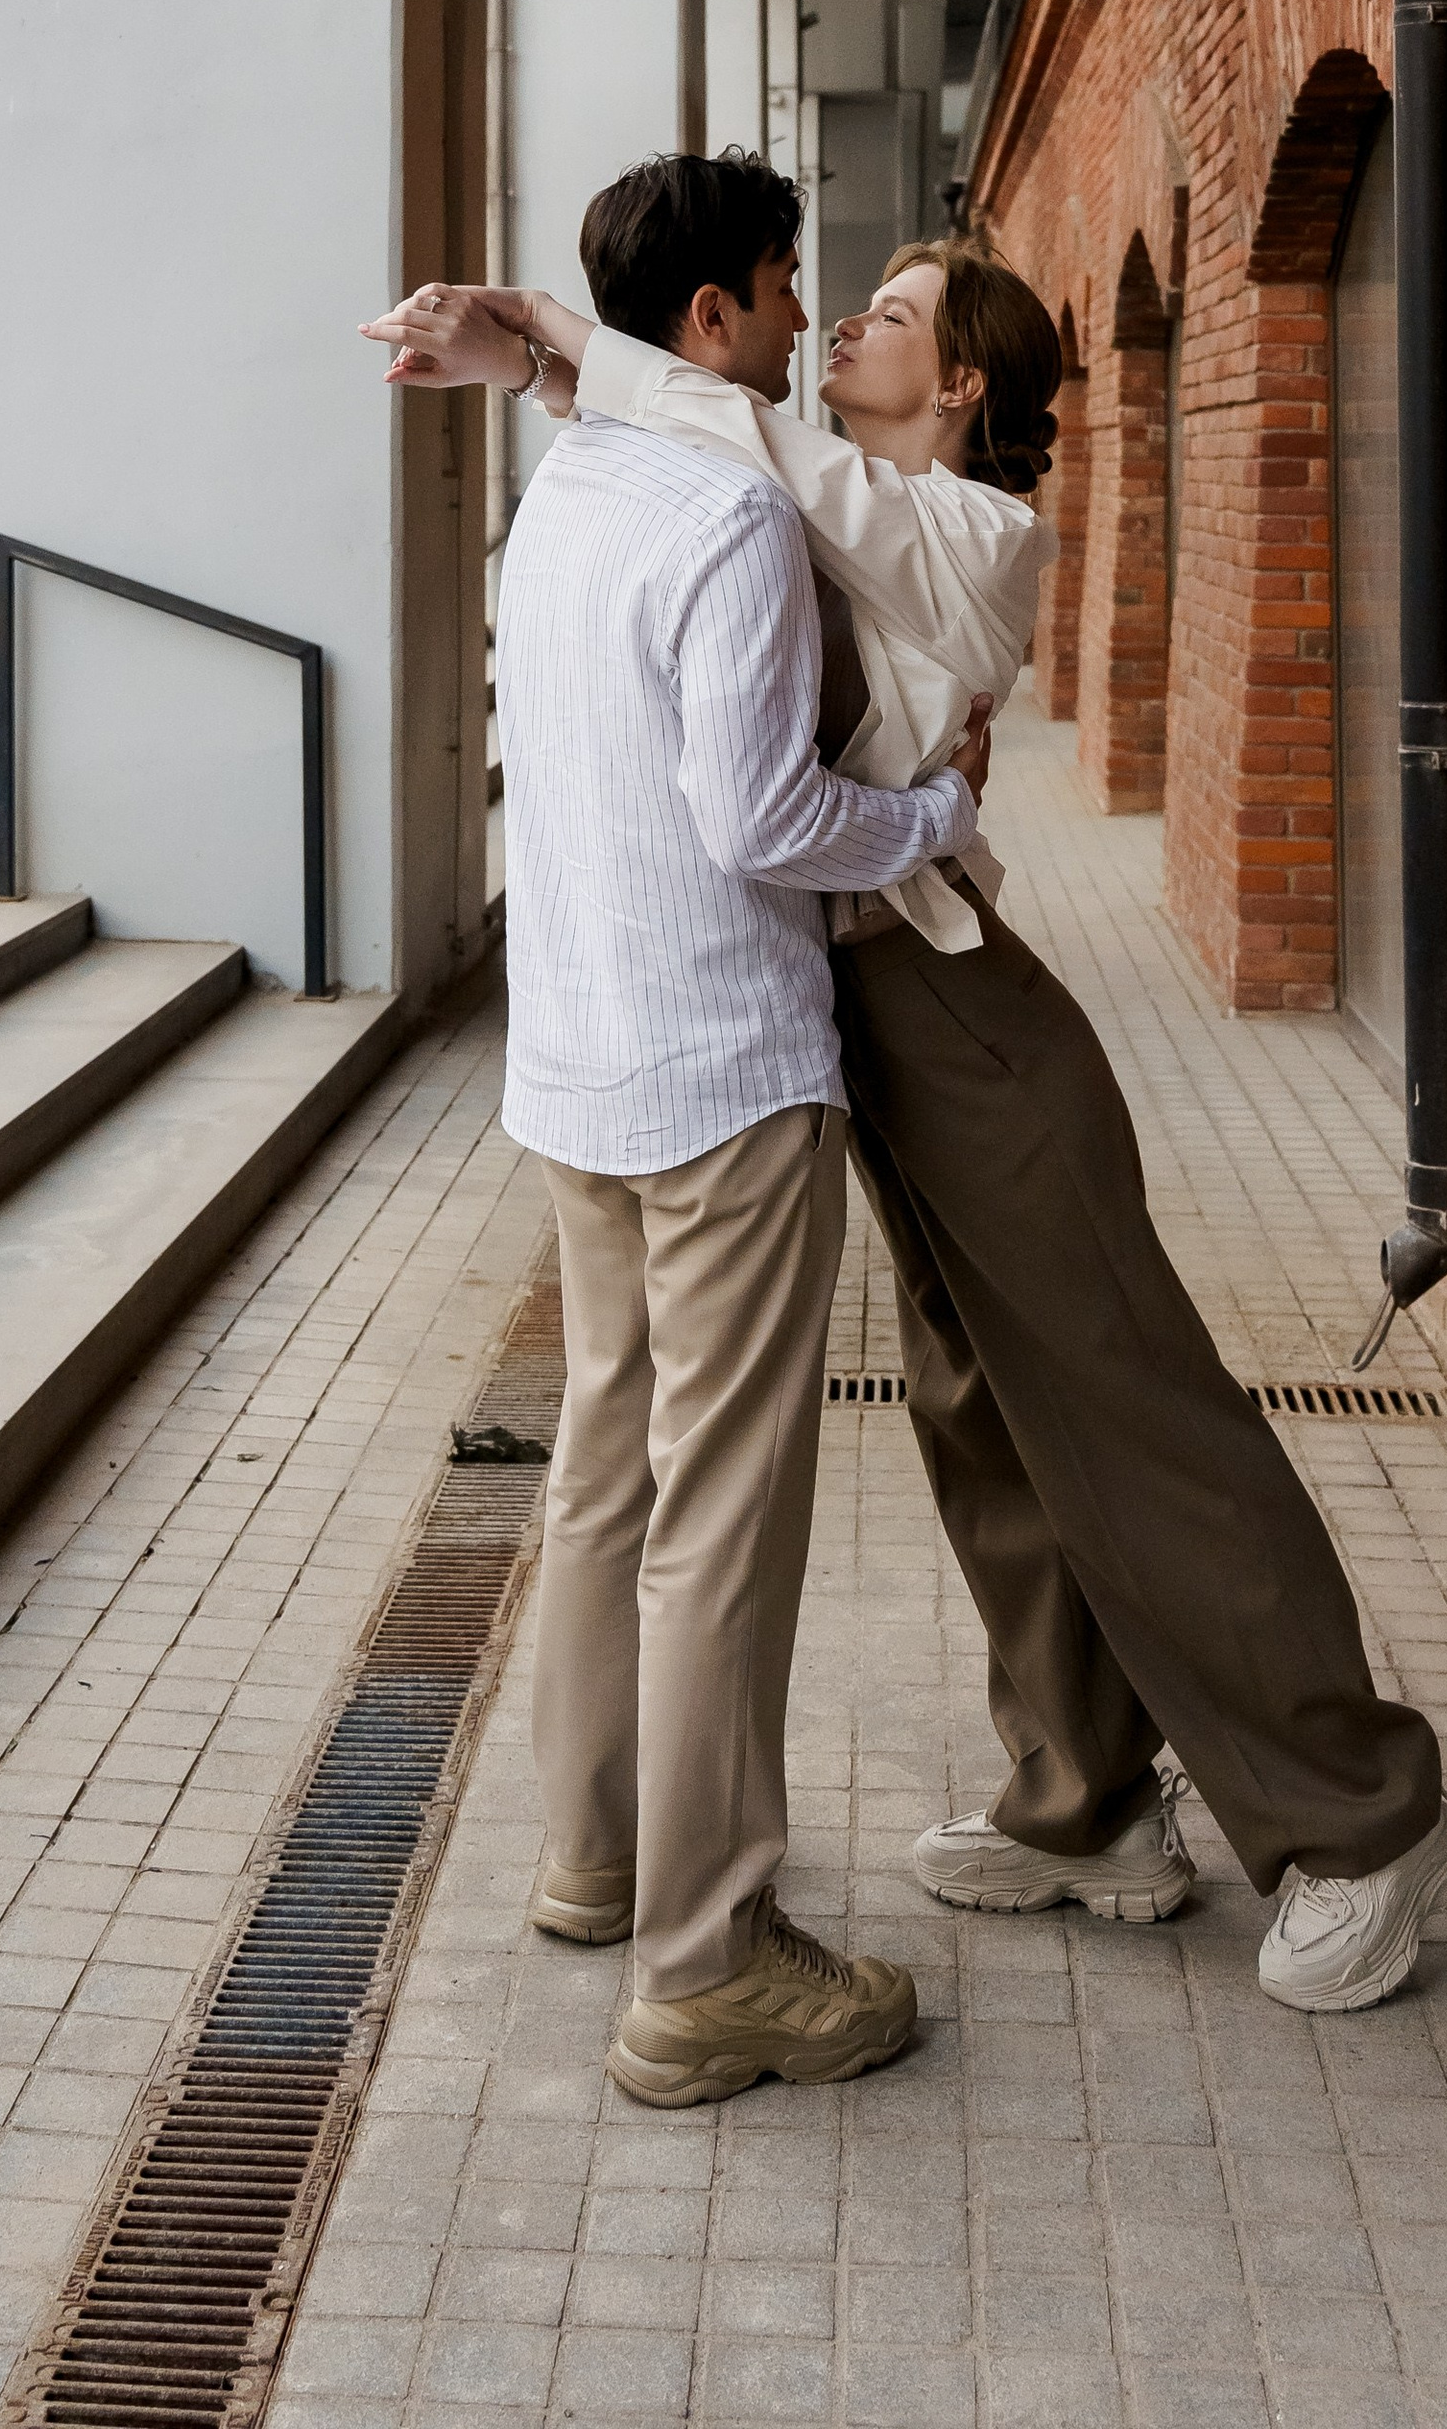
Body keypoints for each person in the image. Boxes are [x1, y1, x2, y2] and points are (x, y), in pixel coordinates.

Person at [369, 216, 1447, 2018]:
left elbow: (767, 460)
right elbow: (717, 477)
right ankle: (1089, 1803)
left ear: (957, 381)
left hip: (960, 1010)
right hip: (851, 1006)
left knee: (1130, 1404)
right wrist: (547, 371)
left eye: (883, 318)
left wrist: (562, 335)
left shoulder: (974, 530)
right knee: (980, 1407)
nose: (836, 337)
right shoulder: (809, 506)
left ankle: (1364, 1819)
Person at [378, 153, 996, 2107]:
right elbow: (755, 821)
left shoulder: (563, 498)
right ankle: (705, 1966)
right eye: (789, 284)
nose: (810, 321)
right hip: (722, 1080)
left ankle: (596, 1856)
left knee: (605, 1473)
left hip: (573, 1071)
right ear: (712, 317)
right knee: (715, 1523)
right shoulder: (726, 513)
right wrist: (925, 823)